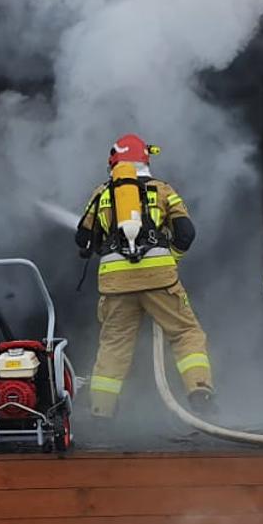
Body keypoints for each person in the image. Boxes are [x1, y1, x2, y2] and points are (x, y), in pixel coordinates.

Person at [73, 133, 213, 418]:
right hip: (159, 277)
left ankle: (101, 411)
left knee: (113, 346)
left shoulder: (101, 193)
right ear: (145, 159)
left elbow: (83, 239)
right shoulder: (162, 190)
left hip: (115, 282)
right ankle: (199, 391)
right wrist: (169, 258)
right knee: (186, 332)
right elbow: (187, 233)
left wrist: (103, 245)